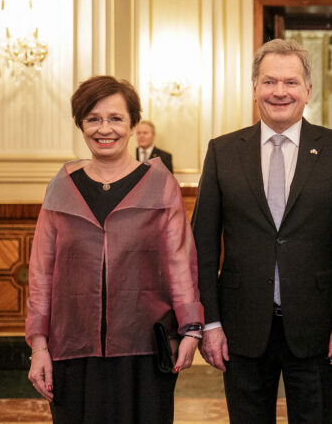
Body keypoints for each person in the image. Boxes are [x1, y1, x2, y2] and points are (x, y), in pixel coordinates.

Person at [192, 39, 332, 424]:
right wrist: (209, 321)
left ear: (308, 90)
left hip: (318, 326)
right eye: (269, 81)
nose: (279, 91)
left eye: (290, 82)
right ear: (254, 87)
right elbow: (203, 245)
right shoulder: (223, 151)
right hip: (240, 326)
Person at [25, 76, 204, 423]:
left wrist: (191, 328)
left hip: (144, 348)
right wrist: (38, 346)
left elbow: (180, 262)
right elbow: (41, 272)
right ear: (80, 124)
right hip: (73, 348)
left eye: (116, 118)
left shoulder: (159, 184)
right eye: (93, 118)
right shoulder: (62, 187)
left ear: (133, 124)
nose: (104, 128)